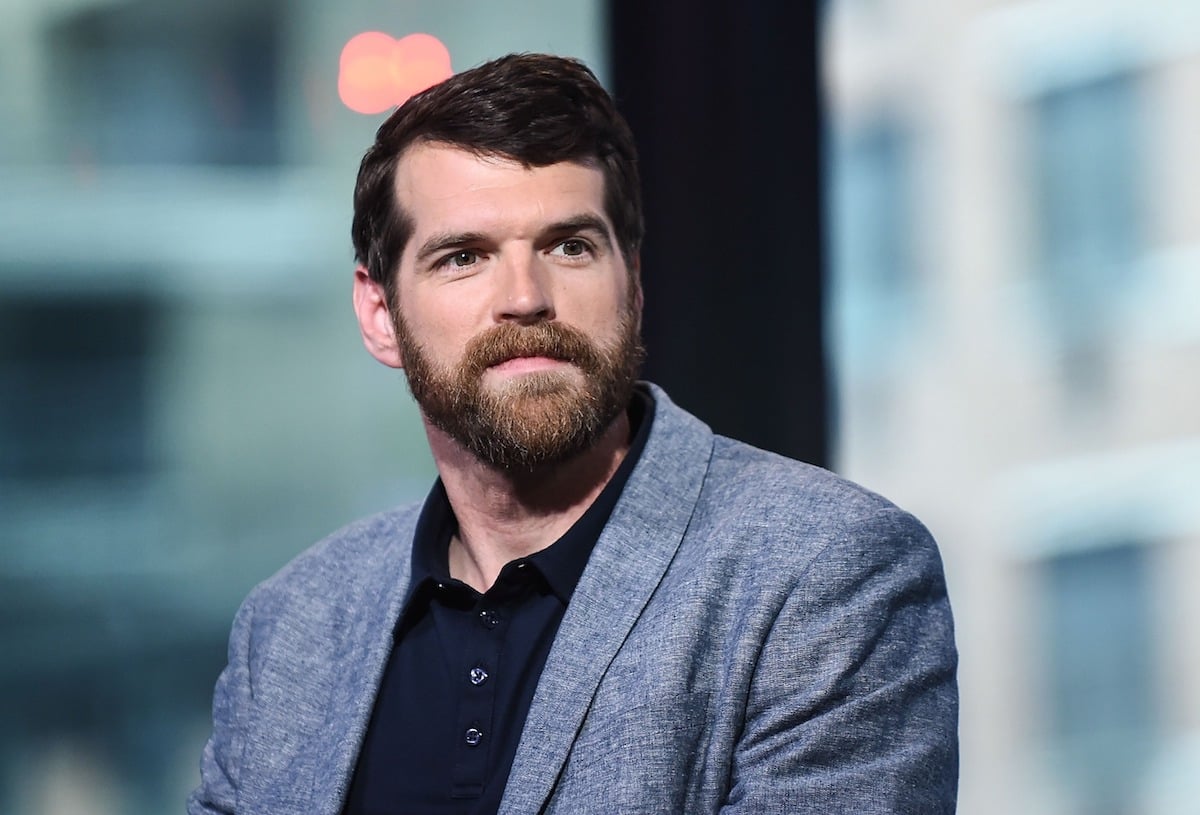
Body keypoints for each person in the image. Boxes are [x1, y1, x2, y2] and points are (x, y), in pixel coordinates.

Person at [189, 53, 958, 815]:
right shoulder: (289, 626)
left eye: (570, 247)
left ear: (634, 283)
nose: (525, 297)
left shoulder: (824, 571)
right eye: (464, 257)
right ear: (380, 315)